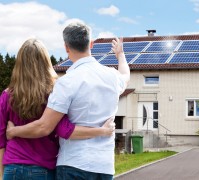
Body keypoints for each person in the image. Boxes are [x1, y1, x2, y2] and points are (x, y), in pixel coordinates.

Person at [7, 22, 130, 179]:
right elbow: (126, 76)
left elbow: (44, 126)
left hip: (74, 164)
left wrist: (13, 131)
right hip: (104, 166)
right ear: (91, 44)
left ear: (66, 47)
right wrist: (120, 54)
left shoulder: (66, 82)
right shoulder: (112, 77)